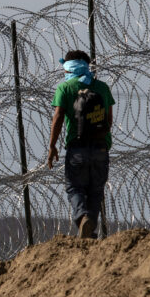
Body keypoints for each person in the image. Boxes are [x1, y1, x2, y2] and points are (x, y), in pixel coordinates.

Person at [47, 50, 115, 238]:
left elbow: (58, 117)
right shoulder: (102, 87)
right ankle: (89, 229)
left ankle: (82, 218)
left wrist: (52, 146)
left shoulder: (65, 88)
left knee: (75, 187)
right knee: (96, 190)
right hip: (101, 146)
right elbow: (109, 121)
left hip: (77, 147)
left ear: (68, 68)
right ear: (87, 65)